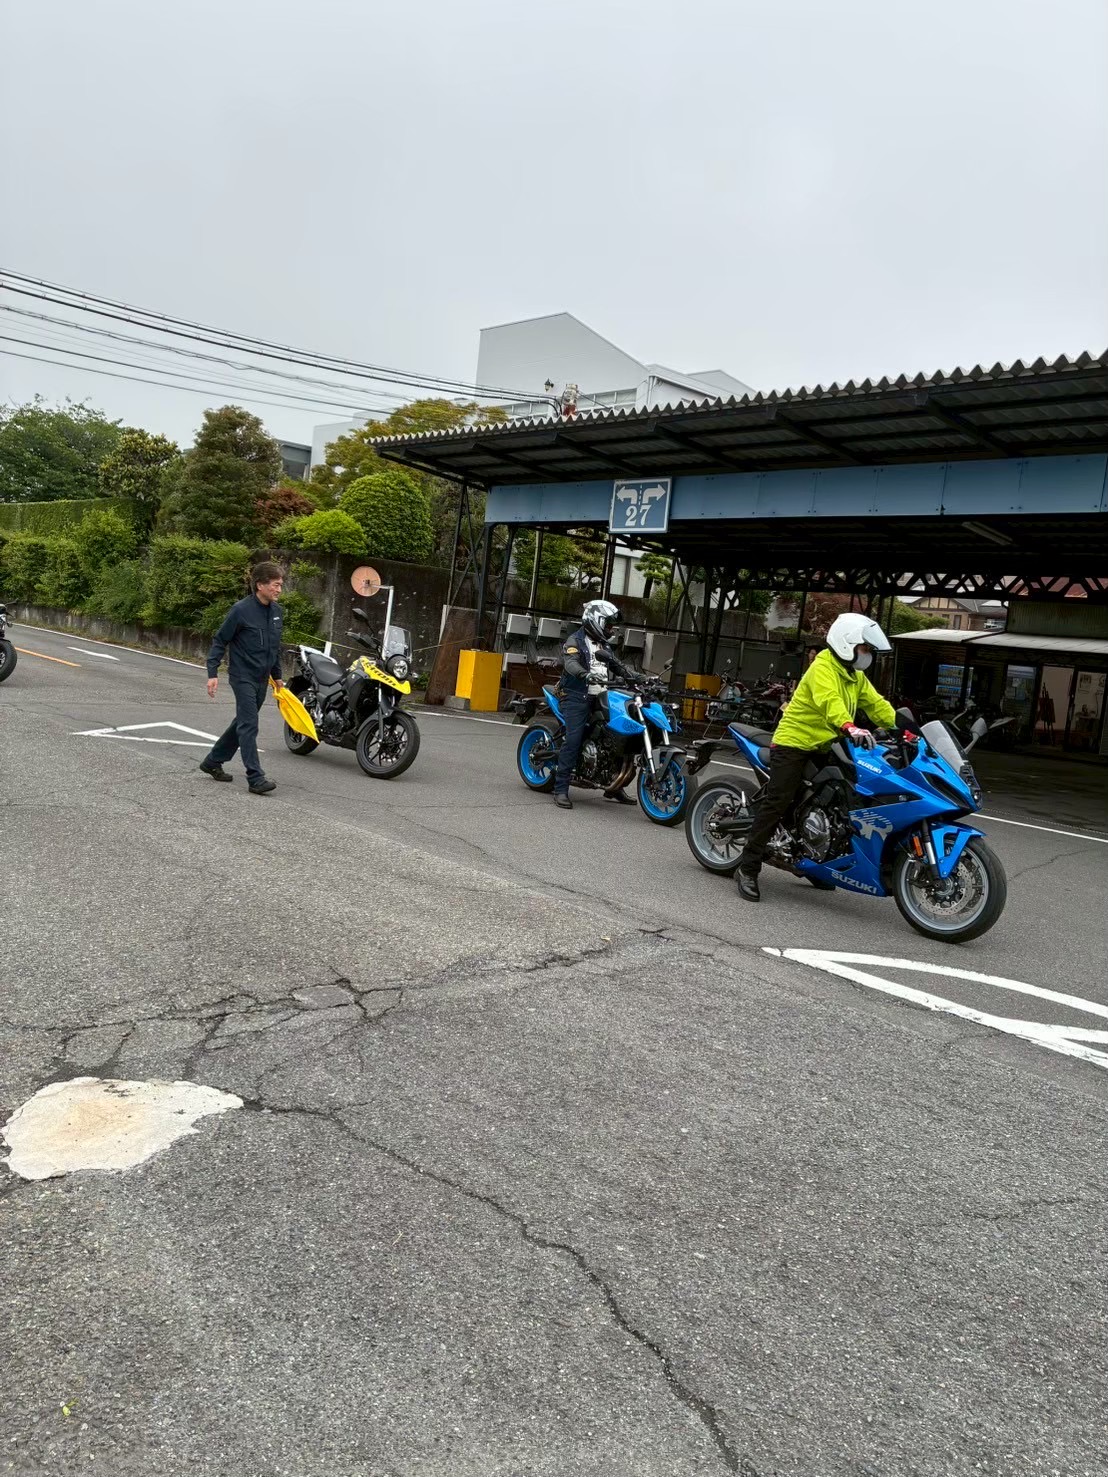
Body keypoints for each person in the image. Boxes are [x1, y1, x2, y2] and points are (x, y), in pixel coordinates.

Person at [735, 612, 897, 902]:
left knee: (842, 800)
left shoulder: (854, 676)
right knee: (778, 802)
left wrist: (905, 729)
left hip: (826, 744)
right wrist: (849, 726)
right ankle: (748, 867)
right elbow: (829, 703)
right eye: (865, 649)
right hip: (794, 744)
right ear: (847, 645)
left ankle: (815, 860)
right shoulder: (822, 667)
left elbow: (877, 704)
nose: (867, 655)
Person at [200, 561, 286, 795]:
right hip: (242, 676)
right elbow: (220, 640)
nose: (279, 589)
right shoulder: (240, 610)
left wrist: (277, 676)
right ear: (260, 585)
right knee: (249, 725)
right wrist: (213, 673)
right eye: (275, 585)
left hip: (262, 679)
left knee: (242, 723)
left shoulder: (277, 613)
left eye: (281, 585)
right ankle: (255, 778)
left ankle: (212, 761)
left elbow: (274, 647)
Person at [552, 598, 639, 811]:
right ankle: (560, 788)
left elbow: (618, 667)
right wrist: (585, 674)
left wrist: (639, 677)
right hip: (575, 696)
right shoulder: (574, 641)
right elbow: (570, 663)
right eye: (608, 624)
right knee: (574, 739)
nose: (611, 629)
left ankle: (614, 785)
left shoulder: (604, 646)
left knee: (618, 737)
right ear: (595, 621)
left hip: (601, 697)